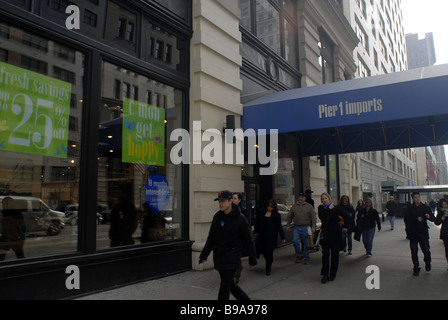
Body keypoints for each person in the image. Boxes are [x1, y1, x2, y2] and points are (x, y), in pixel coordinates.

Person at [199, 190, 257, 300]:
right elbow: (211, 238)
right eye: (219, 201)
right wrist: (204, 255)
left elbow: (249, 240)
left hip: (232, 258)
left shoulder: (240, 219)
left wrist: (252, 260)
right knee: (230, 285)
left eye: (223, 201)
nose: (220, 204)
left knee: (224, 287)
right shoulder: (217, 217)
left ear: (230, 201)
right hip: (220, 257)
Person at [318, 193, 348, 283]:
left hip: (335, 234)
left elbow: (346, 216)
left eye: (325, 198)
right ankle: (325, 274)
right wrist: (329, 209)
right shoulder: (321, 208)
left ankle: (332, 274)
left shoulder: (336, 208)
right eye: (322, 198)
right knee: (325, 255)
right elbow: (322, 217)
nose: (324, 200)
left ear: (329, 199)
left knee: (335, 255)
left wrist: (345, 226)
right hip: (326, 235)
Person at [404, 192, 435, 276]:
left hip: (423, 232)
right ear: (412, 199)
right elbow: (406, 219)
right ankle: (416, 267)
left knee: (426, 250)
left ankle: (427, 262)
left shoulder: (425, 207)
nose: (417, 199)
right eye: (415, 197)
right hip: (413, 232)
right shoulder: (409, 208)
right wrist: (416, 219)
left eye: (418, 197)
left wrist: (429, 216)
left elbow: (433, 219)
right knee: (414, 251)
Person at [254, 200, 285, 275]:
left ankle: (268, 268)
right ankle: (268, 261)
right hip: (262, 236)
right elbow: (257, 222)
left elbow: (279, 227)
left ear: (274, 207)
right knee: (264, 252)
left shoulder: (276, 215)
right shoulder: (262, 212)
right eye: (268, 205)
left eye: (271, 206)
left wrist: (283, 237)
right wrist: (256, 231)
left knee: (269, 252)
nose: (269, 207)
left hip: (271, 237)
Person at [286, 192, 316, 265]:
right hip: (296, 227)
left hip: (306, 227)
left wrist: (313, 227)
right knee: (295, 241)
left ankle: (306, 258)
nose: (300, 198)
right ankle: (299, 255)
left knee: (306, 244)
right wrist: (288, 225)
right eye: (299, 197)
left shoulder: (309, 206)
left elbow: (313, 217)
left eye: (302, 197)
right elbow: (289, 216)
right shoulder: (294, 206)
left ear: (305, 198)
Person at [434, 198, 448, 271]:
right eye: (443, 205)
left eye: (446, 204)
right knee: (447, 250)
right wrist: (441, 219)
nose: (445, 206)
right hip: (446, 233)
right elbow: (436, 222)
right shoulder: (441, 212)